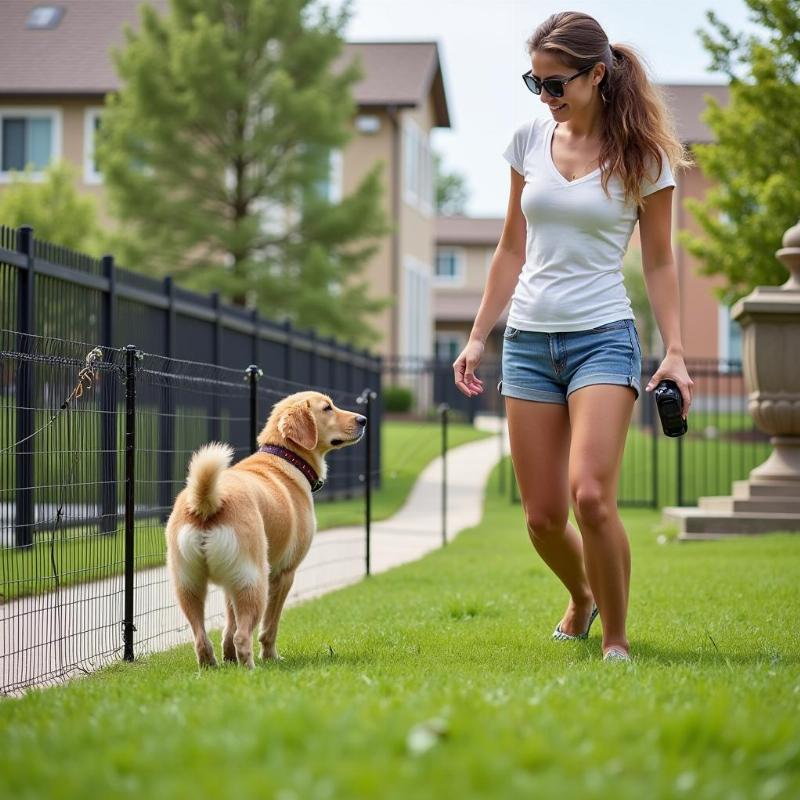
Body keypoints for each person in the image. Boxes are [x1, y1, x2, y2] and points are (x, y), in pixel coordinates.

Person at [453, 11, 694, 662]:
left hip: (603, 338)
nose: (545, 97)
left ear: (595, 76)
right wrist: (479, 336)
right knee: (540, 517)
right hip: (528, 340)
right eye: (534, 83)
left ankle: (615, 639)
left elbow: (662, 260)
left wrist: (675, 349)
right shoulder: (527, 140)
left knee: (591, 495)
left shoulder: (643, 157)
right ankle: (582, 597)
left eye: (556, 84)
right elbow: (509, 249)